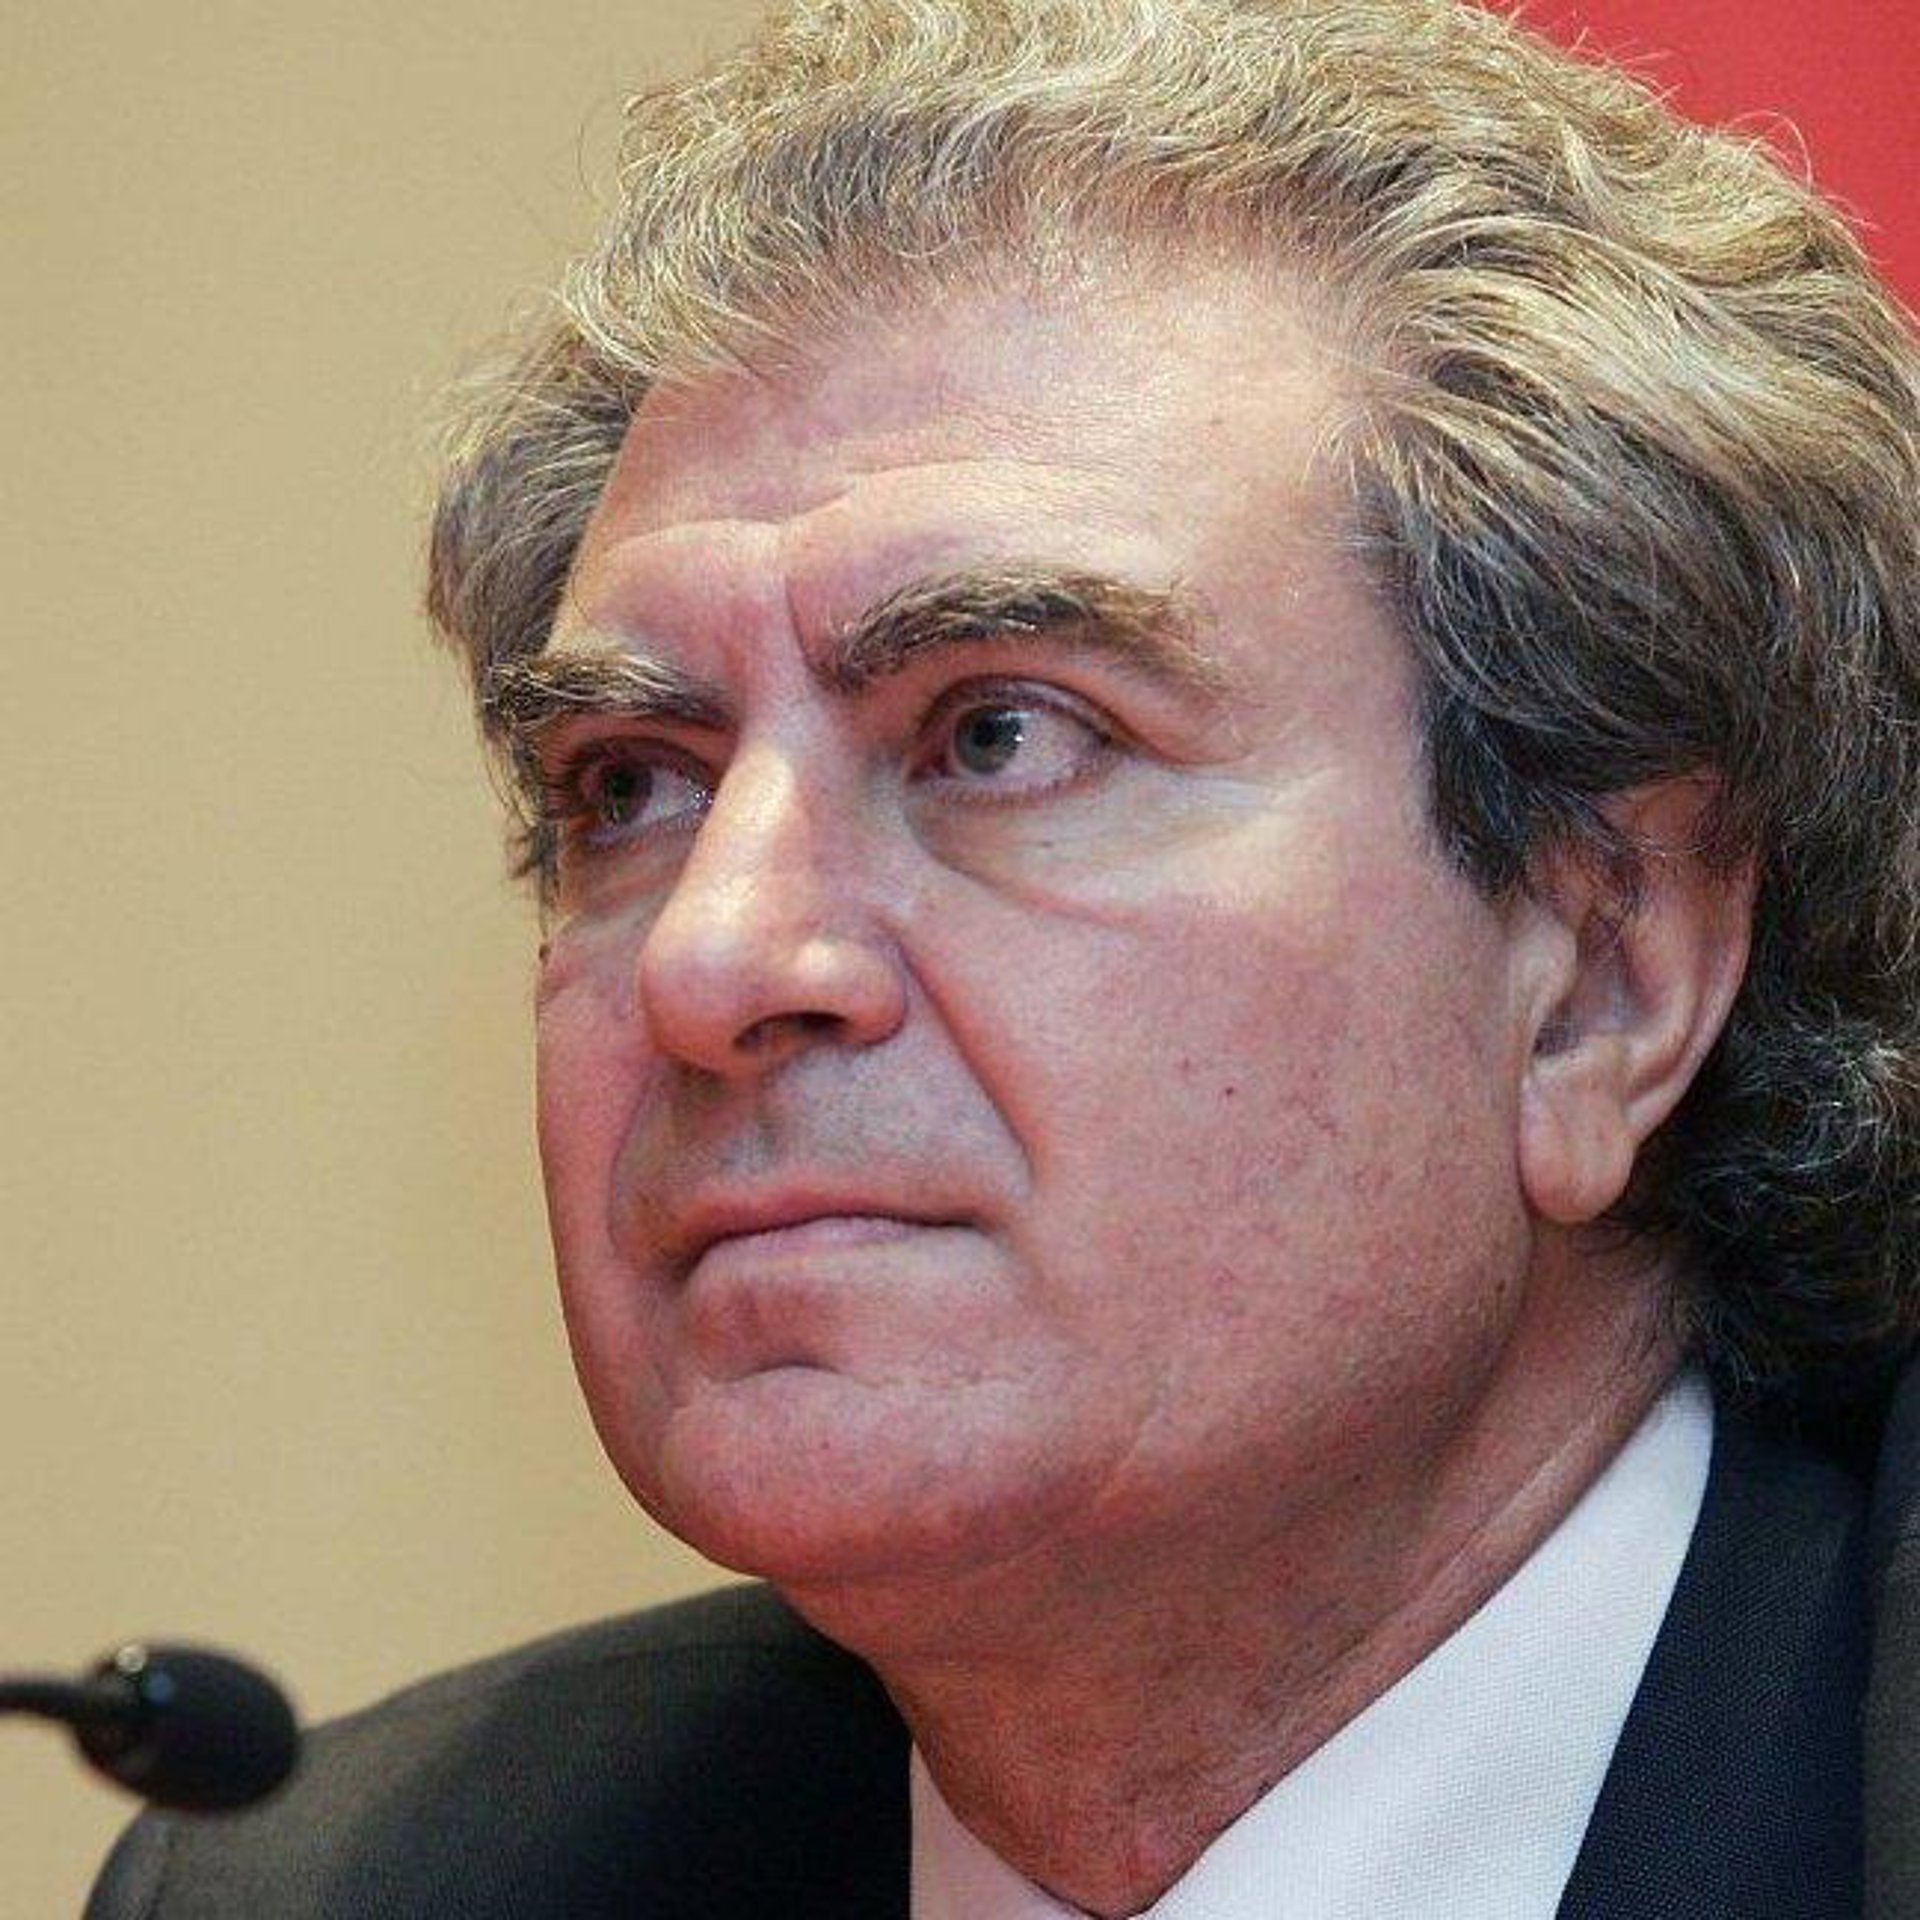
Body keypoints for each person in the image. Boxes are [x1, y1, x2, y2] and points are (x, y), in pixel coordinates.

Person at [90, 0, 1920, 1914]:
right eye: (629, 785)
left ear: (1606, 976)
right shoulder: (354, 1886)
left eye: (998, 736)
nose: (713, 958)